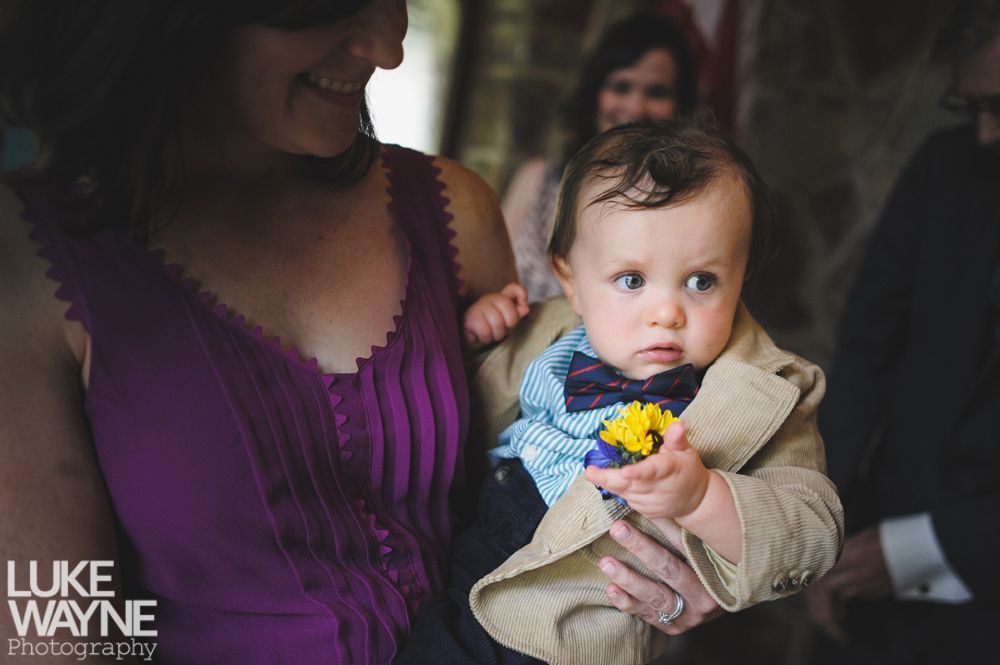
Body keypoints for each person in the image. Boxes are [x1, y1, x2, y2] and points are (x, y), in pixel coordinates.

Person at [0, 2, 727, 663]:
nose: (389, 48)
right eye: (334, 4)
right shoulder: (29, 267)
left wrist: (656, 553)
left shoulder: (454, 214)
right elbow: (55, 633)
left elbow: (536, 479)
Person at [412, 119, 843, 665]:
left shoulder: (768, 390)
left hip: (567, 622)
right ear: (569, 279)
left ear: (744, 276)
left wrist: (701, 499)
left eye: (702, 281)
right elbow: (453, 408)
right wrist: (476, 336)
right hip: (468, 552)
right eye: (633, 280)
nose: (666, 313)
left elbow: (813, 527)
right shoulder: (547, 331)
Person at [805, 1, 1000, 662]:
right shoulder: (946, 168)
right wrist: (820, 519)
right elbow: (865, 346)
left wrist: (933, 545)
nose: (984, 134)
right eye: (971, 107)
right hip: (871, 570)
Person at [502, 13, 698, 303]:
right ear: (595, 94)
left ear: (680, 103)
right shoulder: (538, 178)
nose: (636, 107)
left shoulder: (690, 197)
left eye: (656, 91)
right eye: (621, 86)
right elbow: (487, 283)